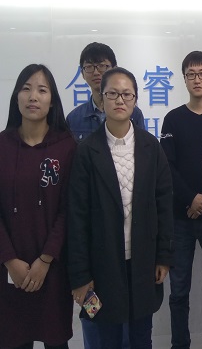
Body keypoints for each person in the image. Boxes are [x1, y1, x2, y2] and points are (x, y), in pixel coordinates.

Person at [67, 67, 174, 348]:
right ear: (101, 99)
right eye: (112, 94)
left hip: (143, 262)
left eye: (127, 94)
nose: (119, 100)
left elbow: (164, 204)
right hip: (101, 266)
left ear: (135, 100)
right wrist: (80, 275)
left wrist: (163, 256)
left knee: (141, 337)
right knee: (105, 337)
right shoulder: (86, 151)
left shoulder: (151, 147)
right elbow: (76, 217)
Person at [0, 64, 76, 349]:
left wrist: (45, 260)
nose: (33, 96)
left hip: (52, 269)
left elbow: (69, 209)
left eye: (42, 90)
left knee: (55, 340)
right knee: (14, 339)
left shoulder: (67, 147)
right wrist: (9, 260)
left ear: (52, 100)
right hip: (9, 270)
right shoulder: (2, 145)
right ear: (16, 97)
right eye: (26, 88)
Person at [160, 51, 202, 349]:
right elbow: (167, 167)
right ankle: (180, 344)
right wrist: (191, 198)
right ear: (184, 79)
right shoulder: (172, 119)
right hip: (180, 218)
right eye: (191, 74)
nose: (197, 79)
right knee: (178, 292)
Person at [66, 42, 145, 143]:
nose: (96, 72)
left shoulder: (134, 113)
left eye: (102, 66)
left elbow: (142, 147)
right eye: (89, 67)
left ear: (114, 69)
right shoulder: (74, 118)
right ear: (82, 73)